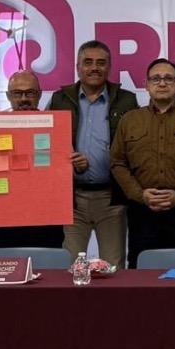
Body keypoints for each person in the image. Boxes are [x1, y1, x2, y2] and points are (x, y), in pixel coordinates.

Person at [110, 59, 175, 267]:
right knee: (142, 270)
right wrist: (140, 194)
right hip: (142, 211)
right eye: (156, 79)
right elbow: (117, 161)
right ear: (146, 85)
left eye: (168, 78)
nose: (162, 83)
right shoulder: (129, 120)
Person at [47, 40, 138, 268]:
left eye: (101, 62)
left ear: (109, 67)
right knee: (69, 268)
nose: (94, 68)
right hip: (72, 200)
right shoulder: (59, 99)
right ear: (77, 67)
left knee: (113, 267)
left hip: (112, 199)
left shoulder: (127, 100)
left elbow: (135, 148)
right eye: (88, 62)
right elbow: (44, 142)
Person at [0, 70, 68, 250]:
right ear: (8, 96)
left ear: (39, 94)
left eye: (29, 93)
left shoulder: (56, 126)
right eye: (17, 93)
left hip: (48, 219)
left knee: (49, 266)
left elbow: (68, 169)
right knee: (9, 265)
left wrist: (79, 166)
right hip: (7, 219)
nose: (23, 99)